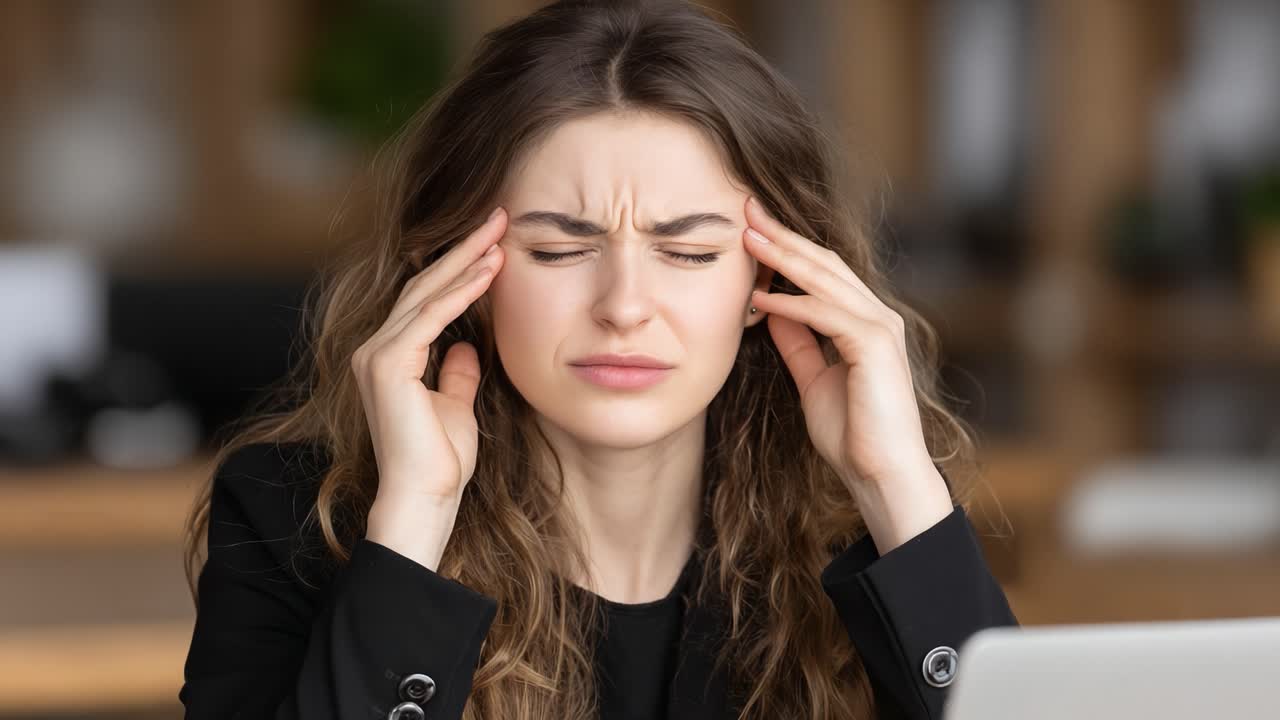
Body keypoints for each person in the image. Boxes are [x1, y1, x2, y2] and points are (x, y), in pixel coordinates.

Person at [178, 1, 1019, 718]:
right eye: (556, 251)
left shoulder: (873, 529)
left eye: (689, 254)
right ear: (457, 276)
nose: (623, 306)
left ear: (776, 274)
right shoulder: (289, 515)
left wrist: (892, 484)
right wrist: (411, 527)